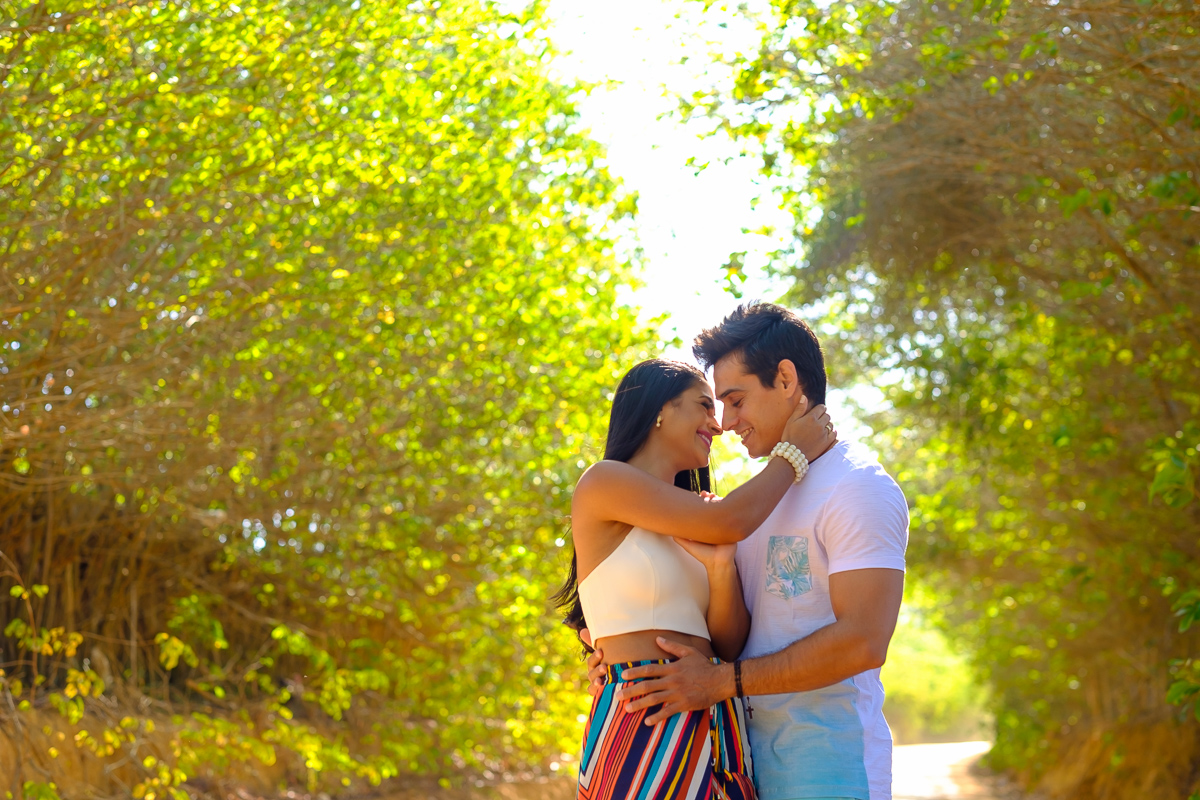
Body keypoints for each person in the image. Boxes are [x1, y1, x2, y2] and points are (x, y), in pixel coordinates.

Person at [584, 303, 910, 800]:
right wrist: (612, 655)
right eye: (712, 405)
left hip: (821, 757)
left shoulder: (856, 487)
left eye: (734, 401)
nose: (725, 423)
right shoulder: (751, 502)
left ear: (785, 379)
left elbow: (861, 641)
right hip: (731, 744)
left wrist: (719, 681)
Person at [557, 357, 837, 800]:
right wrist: (793, 452)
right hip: (646, 715)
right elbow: (733, 520)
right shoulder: (605, 482)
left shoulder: (700, 513)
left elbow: (727, 646)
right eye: (705, 406)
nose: (718, 424)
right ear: (659, 410)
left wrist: (721, 567)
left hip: (713, 713)